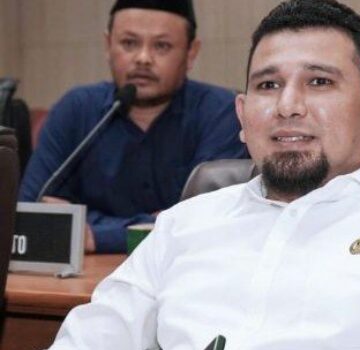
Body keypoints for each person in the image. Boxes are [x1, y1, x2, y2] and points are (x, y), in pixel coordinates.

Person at [16, 1, 360, 350]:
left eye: (319, 82)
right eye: (268, 85)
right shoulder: (186, 223)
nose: (287, 105)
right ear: (242, 114)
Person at [19, 0, 247, 254]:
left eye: (161, 46)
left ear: (191, 53)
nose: (143, 58)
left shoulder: (221, 113)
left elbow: (209, 222)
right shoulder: (76, 109)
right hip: (84, 275)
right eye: (129, 43)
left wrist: (93, 233)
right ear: (108, 45)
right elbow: (30, 212)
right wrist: (160, 221)